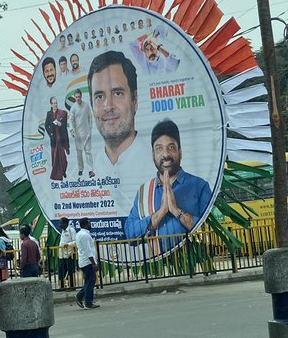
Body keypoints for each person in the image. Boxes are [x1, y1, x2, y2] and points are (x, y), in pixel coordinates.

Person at [124, 120, 213, 248]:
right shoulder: (144, 192)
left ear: (180, 152)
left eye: (171, 147)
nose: (165, 154)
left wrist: (176, 211)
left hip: (194, 264)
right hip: (156, 266)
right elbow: (130, 235)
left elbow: (210, 231)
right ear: (152, 155)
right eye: (159, 149)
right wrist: (160, 213)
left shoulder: (199, 186)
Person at [88, 51, 150, 212]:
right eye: (99, 96)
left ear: (135, 100)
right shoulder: (86, 171)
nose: (108, 106)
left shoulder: (157, 165)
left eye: (117, 93)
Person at [69, 87, 94, 178]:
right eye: (76, 97)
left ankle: (91, 170)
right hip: (78, 135)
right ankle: (80, 169)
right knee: (79, 152)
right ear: (74, 98)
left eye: (79, 96)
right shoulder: (73, 108)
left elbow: (90, 117)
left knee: (88, 151)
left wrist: (90, 129)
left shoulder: (86, 105)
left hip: (87, 133)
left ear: (81, 96)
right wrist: (72, 130)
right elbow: (70, 121)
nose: (78, 98)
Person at [75, 218, 99, 310]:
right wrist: (93, 263)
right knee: (91, 282)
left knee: (89, 281)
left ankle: (80, 296)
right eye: (89, 223)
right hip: (87, 262)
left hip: (84, 261)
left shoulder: (80, 234)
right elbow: (88, 250)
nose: (90, 225)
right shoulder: (85, 235)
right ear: (85, 225)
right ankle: (88, 302)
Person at [44, 96, 70, 181]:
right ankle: (56, 174)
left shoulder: (62, 113)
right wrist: (50, 134)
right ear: (51, 104)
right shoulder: (49, 113)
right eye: (53, 103)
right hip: (54, 138)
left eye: (56, 103)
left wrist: (60, 124)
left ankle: (63, 171)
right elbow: (46, 125)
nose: (55, 105)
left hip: (61, 137)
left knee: (62, 157)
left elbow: (64, 125)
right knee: (55, 156)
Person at [57, 217, 76, 290]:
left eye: (60, 223)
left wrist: (68, 245)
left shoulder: (71, 230)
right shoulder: (63, 231)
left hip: (69, 254)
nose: (59, 225)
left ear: (65, 223)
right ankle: (62, 286)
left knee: (70, 270)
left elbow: (75, 241)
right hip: (62, 254)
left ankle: (72, 286)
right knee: (62, 270)